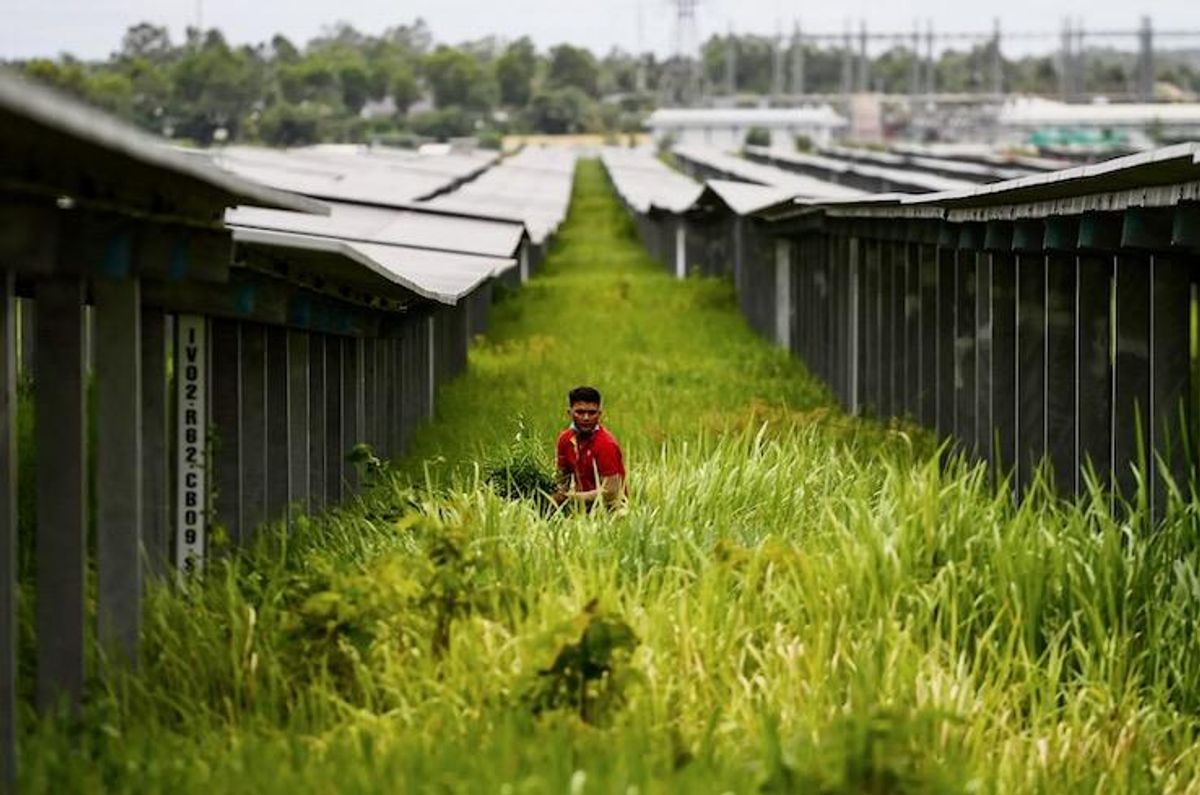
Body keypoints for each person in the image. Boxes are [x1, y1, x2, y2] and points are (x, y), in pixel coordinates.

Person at [553, 386, 627, 512]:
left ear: (600, 414)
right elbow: (561, 480)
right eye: (580, 412)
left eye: (592, 413)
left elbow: (611, 492)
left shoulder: (606, 444)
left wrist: (572, 498)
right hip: (583, 510)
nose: (586, 418)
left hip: (612, 512)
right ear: (569, 413)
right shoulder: (565, 440)